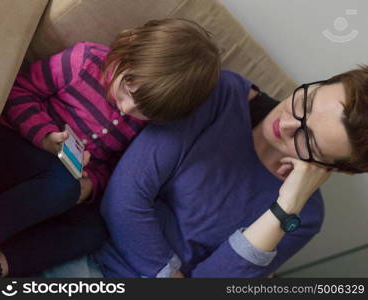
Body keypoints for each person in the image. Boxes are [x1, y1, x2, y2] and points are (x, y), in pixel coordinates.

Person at [40, 65, 368, 278]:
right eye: (306, 102)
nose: (287, 123)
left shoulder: (304, 215)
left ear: (331, 167)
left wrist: (286, 206)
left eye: (308, 138)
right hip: (85, 251)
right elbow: (124, 198)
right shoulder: (219, 93)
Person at [0, 18, 221, 277]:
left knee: (94, 230)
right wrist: (45, 135)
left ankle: (3, 263)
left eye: (144, 111)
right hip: (17, 145)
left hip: (57, 187)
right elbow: (18, 91)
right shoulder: (85, 61)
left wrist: (91, 184)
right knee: (63, 185)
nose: (126, 109)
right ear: (128, 50)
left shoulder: (145, 126)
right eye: (128, 90)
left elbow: (112, 168)